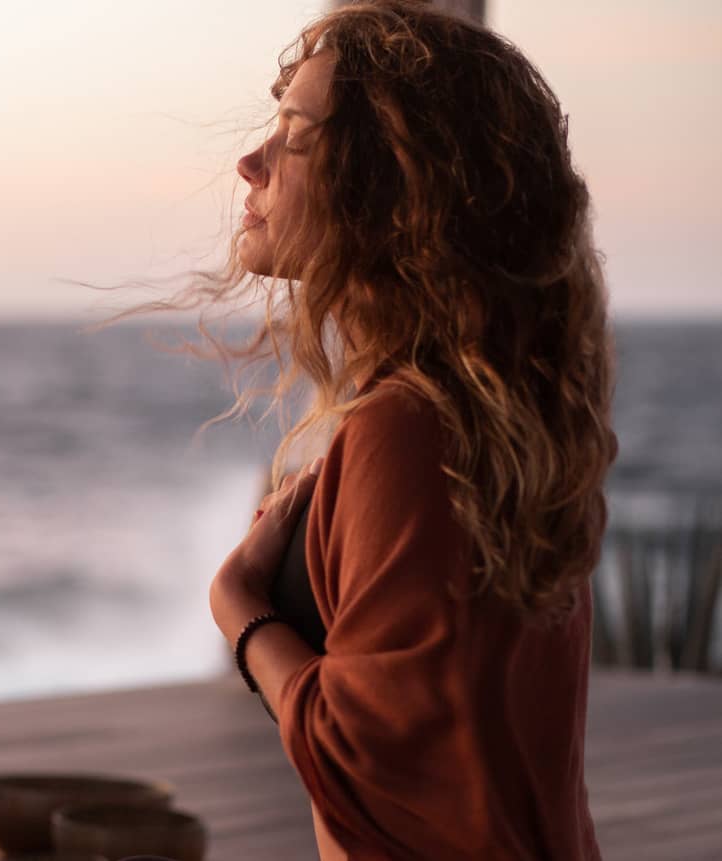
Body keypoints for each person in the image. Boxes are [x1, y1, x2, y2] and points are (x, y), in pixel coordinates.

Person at [197, 2, 614, 858]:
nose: (251, 161)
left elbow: (366, 755)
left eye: (295, 134)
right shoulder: (491, 419)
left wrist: (238, 608)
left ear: (389, 186)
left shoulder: (411, 428)